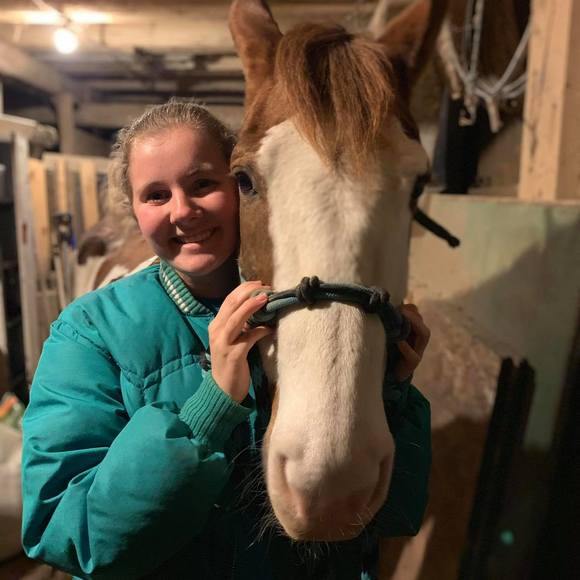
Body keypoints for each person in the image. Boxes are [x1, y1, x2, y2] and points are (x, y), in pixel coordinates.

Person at [21, 100, 432, 580]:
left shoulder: (313, 311)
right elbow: (66, 532)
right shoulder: (88, 333)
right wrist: (210, 408)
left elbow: (386, 517)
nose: (183, 211)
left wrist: (391, 392)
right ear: (133, 210)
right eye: (155, 195)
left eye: (202, 184)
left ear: (241, 186)